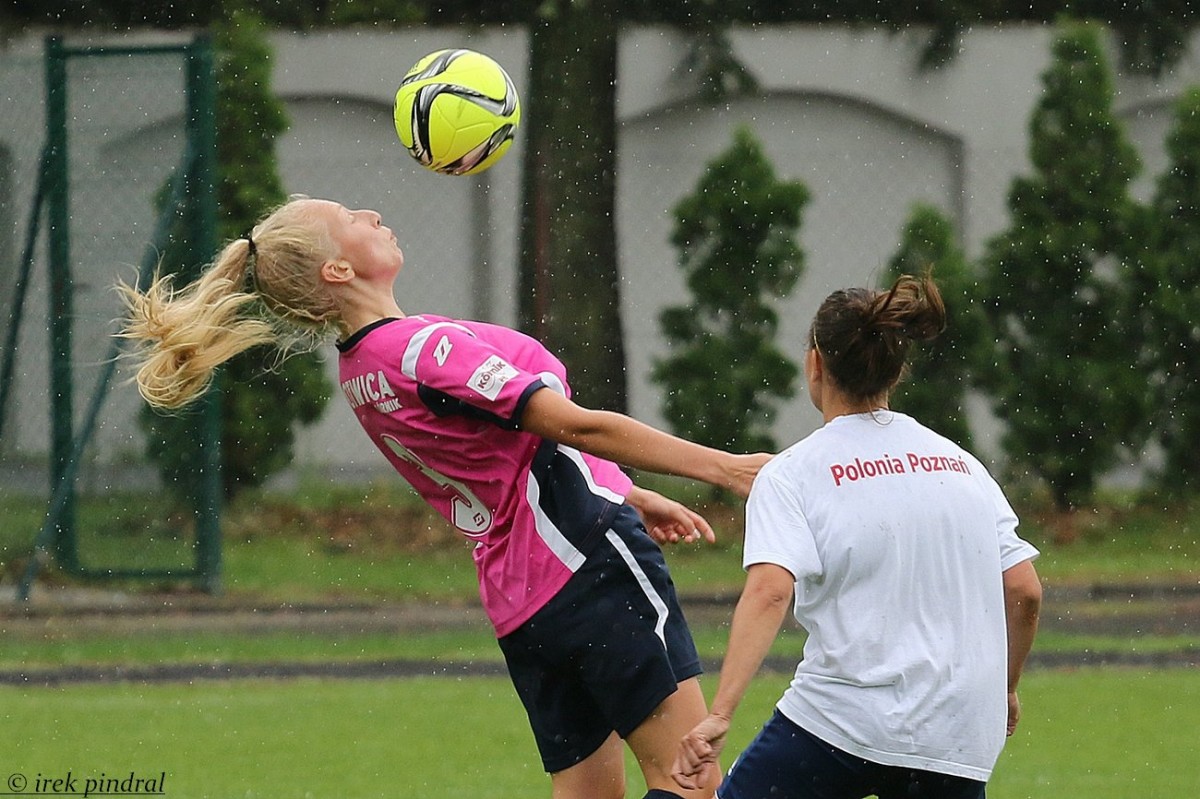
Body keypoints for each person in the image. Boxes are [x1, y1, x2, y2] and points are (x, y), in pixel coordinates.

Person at [117, 195, 771, 799]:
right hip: (586, 562)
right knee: (690, 777)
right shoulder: (420, 349)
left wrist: (625, 488)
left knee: (589, 794)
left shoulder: (361, 370)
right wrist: (728, 469)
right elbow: (576, 426)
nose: (371, 213)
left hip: (524, 603)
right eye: (350, 217)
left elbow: (494, 457)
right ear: (338, 270)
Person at [672, 275, 1042, 799]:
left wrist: (721, 714)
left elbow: (770, 592)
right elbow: (1025, 590)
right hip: (957, 733)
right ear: (896, 369)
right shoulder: (964, 467)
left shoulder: (793, 472)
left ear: (815, 364)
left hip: (841, 724)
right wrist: (1005, 689)